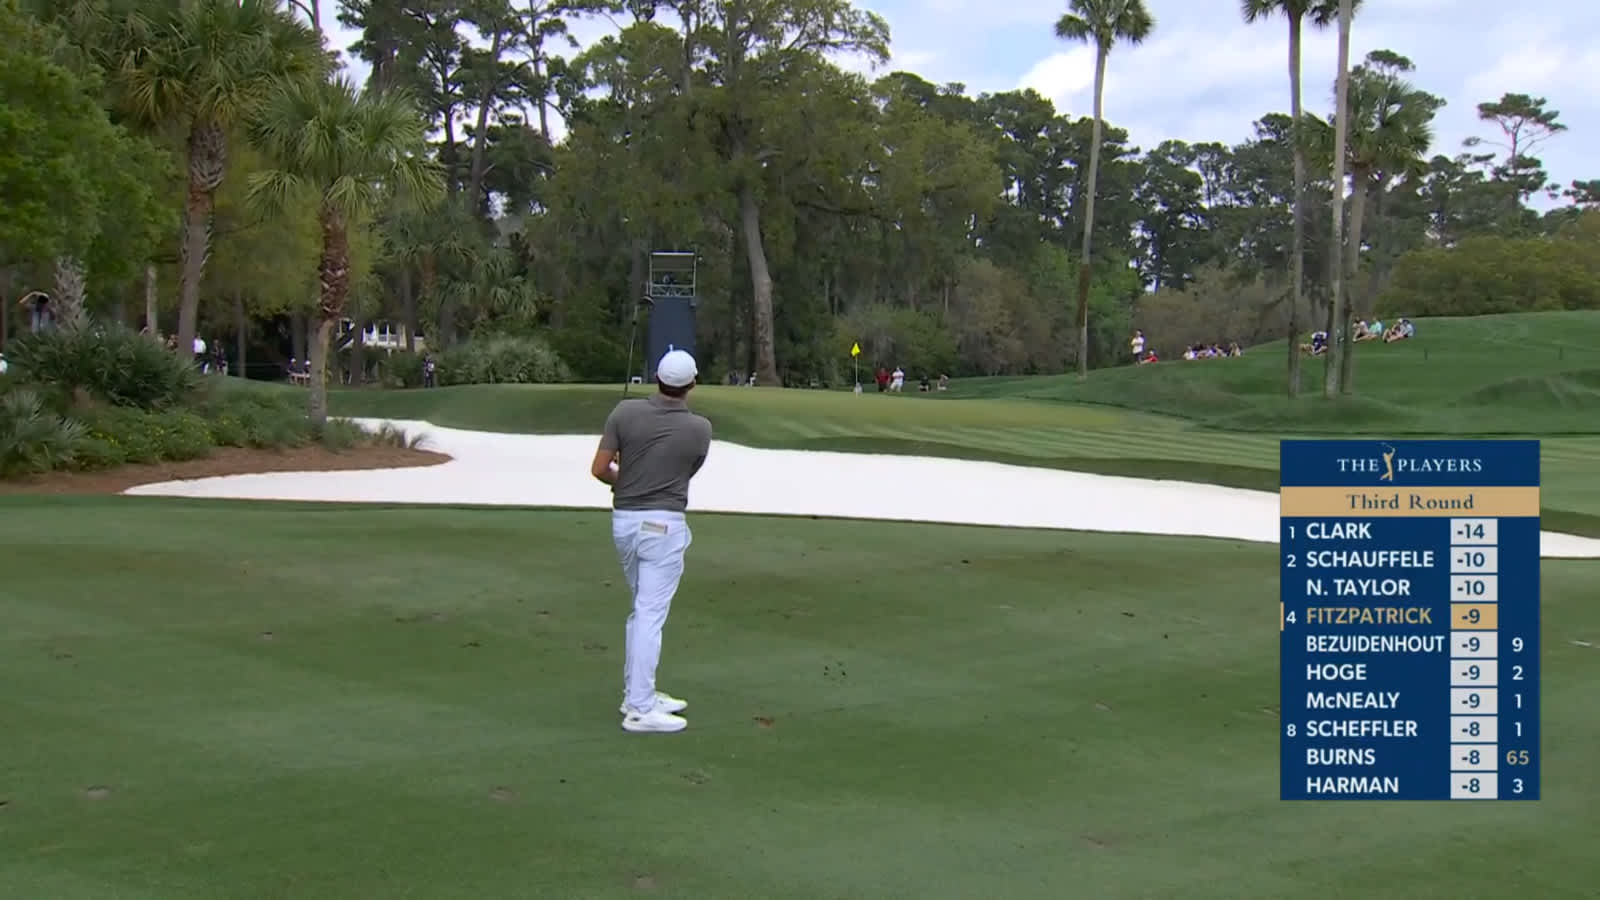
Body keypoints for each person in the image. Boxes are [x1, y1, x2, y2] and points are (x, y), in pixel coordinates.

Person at [590, 349, 713, 734]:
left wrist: (625, 479)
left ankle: (637, 693)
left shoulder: (623, 413)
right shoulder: (700, 428)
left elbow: (599, 470)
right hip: (664, 525)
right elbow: (687, 471)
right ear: (691, 385)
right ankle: (641, 709)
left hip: (625, 523)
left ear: (656, 378)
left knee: (641, 611)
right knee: (648, 615)